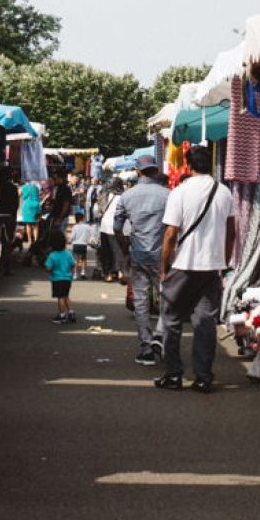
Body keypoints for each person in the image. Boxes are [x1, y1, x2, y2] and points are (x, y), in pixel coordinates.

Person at [155, 145, 235, 394]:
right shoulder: (224, 192)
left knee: (171, 319)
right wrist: (224, 259)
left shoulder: (179, 192)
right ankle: (202, 377)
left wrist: (164, 267)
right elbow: (231, 230)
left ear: (188, 165)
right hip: (211, 268)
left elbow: (170, 234)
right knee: (205, 322)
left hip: (183, 265)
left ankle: (174, 373)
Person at [113, 155, 169, 366]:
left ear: (138, 171)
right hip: (163, 255)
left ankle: (146, 347)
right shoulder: (168, 195)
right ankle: (161, 334)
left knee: (140, 300)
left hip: (138, 253)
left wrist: (125, 249)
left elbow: (117, 228)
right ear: (155, 171)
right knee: (167, 297)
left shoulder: (127, 196)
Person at [0, 166, 20, 275]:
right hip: (9, 217)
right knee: (7, 244)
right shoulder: (13, 188)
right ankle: (7, 268)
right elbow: (16, 205)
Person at [44, 231, 76, 324]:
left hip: (57, 279)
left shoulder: (52, 255)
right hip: (67, 278)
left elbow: (48, 268)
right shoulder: (68, 254)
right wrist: (72, 273)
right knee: (66, 296)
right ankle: (71, 312)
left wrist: (48, 270)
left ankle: (62, 315)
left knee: (60, 297)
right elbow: (73, 264)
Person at [99, 178, 126, 283]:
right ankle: (120, 272)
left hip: (105, 226)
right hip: (119, 227)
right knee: (119, 250)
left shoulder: (106, 195)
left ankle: (108, 275)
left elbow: (100, 209)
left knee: (106, 252)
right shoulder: (124, 197)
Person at [50, 170, 72, 237]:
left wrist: (60, 217)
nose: (54, 180)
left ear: (60, 179)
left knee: (59, 235)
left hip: (62, 217)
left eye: (55, 179)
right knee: (56, 235)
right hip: (56, 215)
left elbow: (66, 204)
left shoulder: (65, 189)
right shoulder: (57, 188)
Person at [70, 211, 92, 279]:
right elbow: (90, 234)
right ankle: (83, 272)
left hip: (76, 244)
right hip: (83, 244)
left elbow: (72, 236)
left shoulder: (75, 227)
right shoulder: (87, 226)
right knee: (83, 259)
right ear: (83, 218)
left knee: (76, 260)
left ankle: (75, 274)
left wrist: (70, 240)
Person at [20, 181, 41, 248]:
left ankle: (30, 240)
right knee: (36, 225)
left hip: (27, 206)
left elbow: (19, 194)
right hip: (36, 206)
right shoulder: (36, 187)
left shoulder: (24, 187)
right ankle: (36, 240)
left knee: (28, 224)